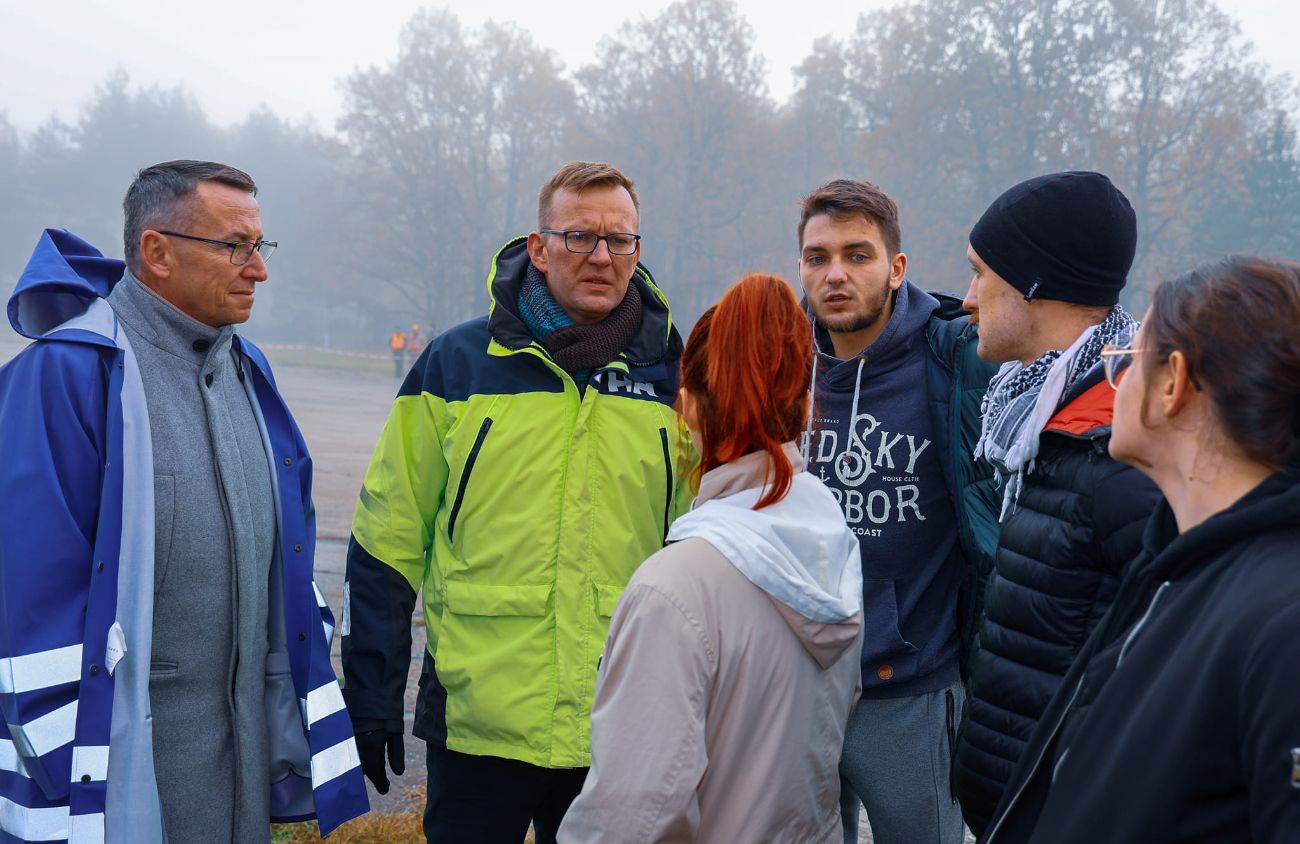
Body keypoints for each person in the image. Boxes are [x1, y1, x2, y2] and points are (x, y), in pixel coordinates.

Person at [0, 161, 368, 842]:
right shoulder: (68, 375)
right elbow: (24, 605)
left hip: (240, 794)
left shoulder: (249, 373)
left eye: (262, 247)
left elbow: (286, 569)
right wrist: (65, 785)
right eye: (235, 247)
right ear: (157, 252)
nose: (258, 270)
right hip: (111, 796)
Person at [340, 161, 695, 844]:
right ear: (538, 247)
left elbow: (706, 553)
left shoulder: (676, 379)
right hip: (479, 721)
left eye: (619, 241)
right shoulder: (455, 365)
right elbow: (388, 537)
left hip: (621, 725)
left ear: (638, 252)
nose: (601, 256)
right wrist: (370, 686)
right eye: (579, 236)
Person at [981, 255, 1300, 843]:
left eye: (1125, 361)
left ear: (1174, 383)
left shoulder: (1281, 623)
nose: (1114, 382)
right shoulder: (1172, 565)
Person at [558, 273, 864, 843]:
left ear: (690, 407)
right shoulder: (834, 544)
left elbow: (633, 816)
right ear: (803, 404)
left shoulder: (676, 588)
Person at [952, 171, 1163, 835]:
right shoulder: (1037, 421)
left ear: (1032, 284)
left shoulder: (1118, 452)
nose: (966, 299)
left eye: (980, 274)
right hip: (1020, 803)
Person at [795, 179, 1000, 844]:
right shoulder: (783, 366)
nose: (835, 274)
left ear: (896, 268)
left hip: (910, 687)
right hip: (797, 686)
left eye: (858, 256)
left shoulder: (953, 359)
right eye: (818, 257)